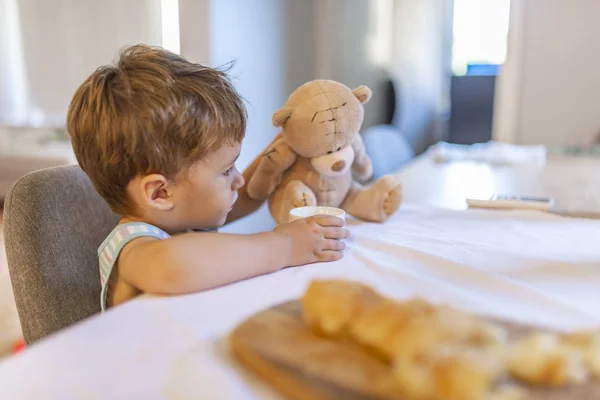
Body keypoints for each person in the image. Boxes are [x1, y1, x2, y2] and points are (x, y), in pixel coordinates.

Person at [66, 44, 349, 311]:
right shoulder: (134, 247)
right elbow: (175, 264)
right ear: (160, 193)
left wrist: (281, 149)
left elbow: (249, 194)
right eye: (226, 171)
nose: (237, 180)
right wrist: (285, 245)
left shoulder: (185, 219)